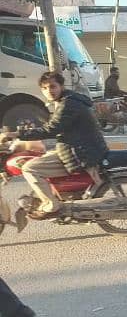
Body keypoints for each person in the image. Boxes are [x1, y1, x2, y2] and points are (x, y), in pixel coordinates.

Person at [0, 71, 108, 219]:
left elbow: (51, 129)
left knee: (30, 168)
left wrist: (16, 134)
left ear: (61, 86)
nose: (49, 91)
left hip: (81, 153)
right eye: (44, 88)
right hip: (79, 148)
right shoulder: (67, 101)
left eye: (52, 86)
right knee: (40, 156)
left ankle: (51, 205)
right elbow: (54, 127)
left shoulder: (68, 104)